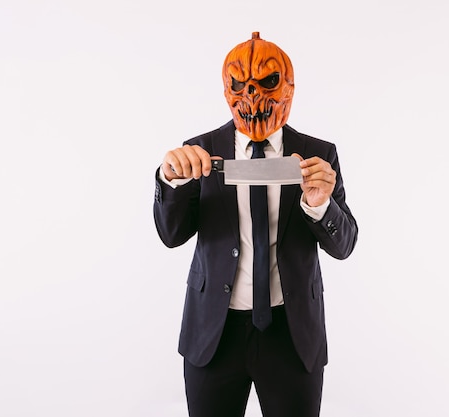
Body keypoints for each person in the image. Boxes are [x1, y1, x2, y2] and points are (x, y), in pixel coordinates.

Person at [153, 32, 358, 417]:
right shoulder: (200, 150)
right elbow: (171, 235)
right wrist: (172, 180)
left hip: (291, 332)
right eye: (239, 86)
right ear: (226, 89)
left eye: (267, 83)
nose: (252, 98)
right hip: (214, 331)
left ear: (290, 88)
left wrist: (320, 205)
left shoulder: (319, 154)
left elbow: (344, 245)